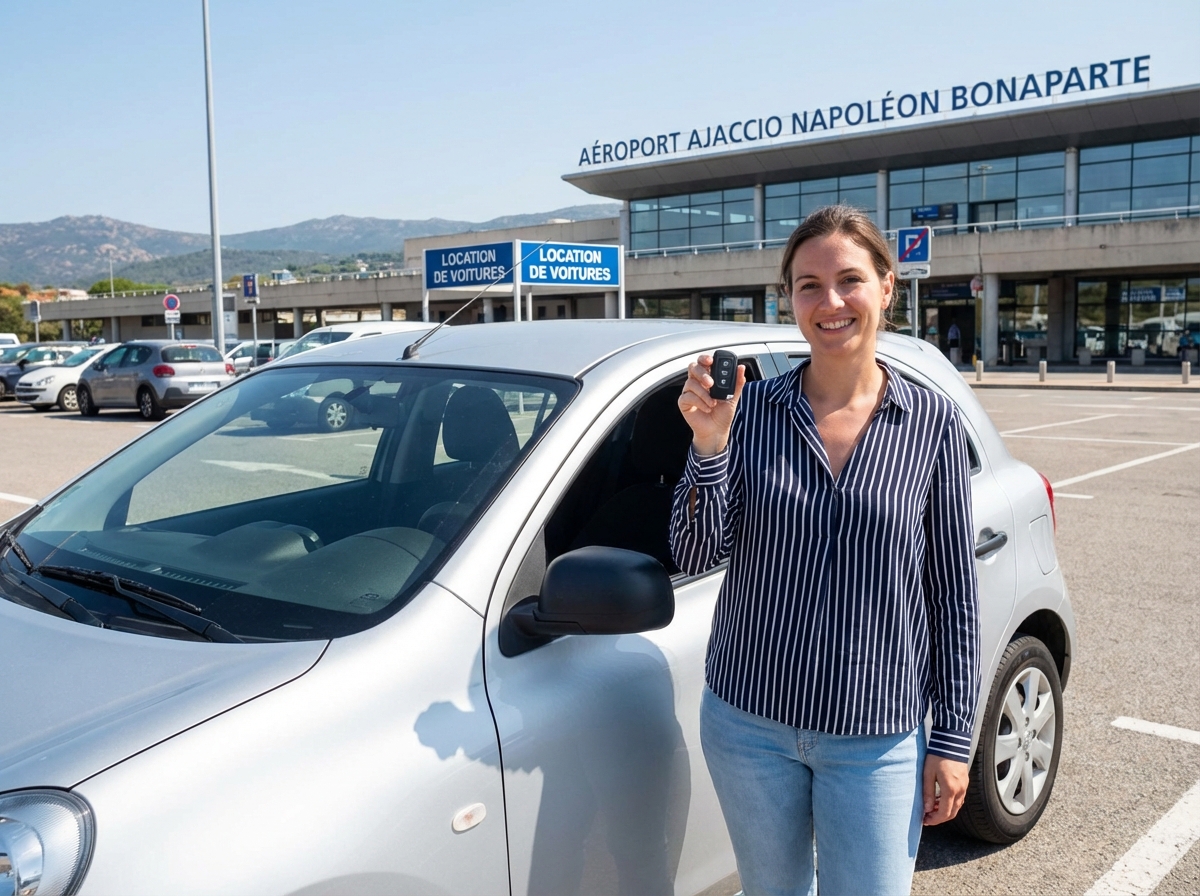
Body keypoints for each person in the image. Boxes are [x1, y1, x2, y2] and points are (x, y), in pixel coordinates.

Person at [671, 205, 980, 896]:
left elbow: (953, 594)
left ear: (887, 286)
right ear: (790, 298)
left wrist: (954, 739)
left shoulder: (931, 422)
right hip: (749, 722)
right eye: (809, 285)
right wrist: (709, 445)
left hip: (876, 734)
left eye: (849, 280)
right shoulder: (751, 412)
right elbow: (693, 550)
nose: (830, 301)